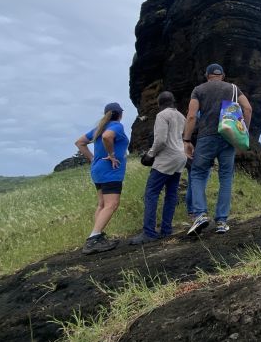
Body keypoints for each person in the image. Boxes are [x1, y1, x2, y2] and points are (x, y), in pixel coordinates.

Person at [184, 63, 252, 235]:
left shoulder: (198, 90)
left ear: (207, 75)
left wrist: (187, 140)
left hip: (206, 137)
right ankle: (221, 221)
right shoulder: (234, 89)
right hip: (228, 137)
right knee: (226, 177)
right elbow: (248, 109)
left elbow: (191, 116)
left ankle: (200, 214)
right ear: (222, 75)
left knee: (198, 174)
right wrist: (243, 135)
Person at [130, 91, 187, 244]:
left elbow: (161, 140)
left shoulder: (162, 115)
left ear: (159, 104)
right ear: (173, 102)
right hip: (180, 157)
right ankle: (166, 229)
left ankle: (149, 232)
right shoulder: (181, 116)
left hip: (166, 158)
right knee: (171, 194)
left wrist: (150, 155)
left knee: (151, 193)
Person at [75, 102, 129, 255]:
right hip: (110, 171)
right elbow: (107, 137)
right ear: (120, 114)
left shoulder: (99, 127)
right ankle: (93, 239)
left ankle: (96, 236)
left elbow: (79, 142)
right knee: (112, 204)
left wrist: (93, 159)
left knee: (102, 204)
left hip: (97, 170)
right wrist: (111, 155)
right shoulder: (116, 127)